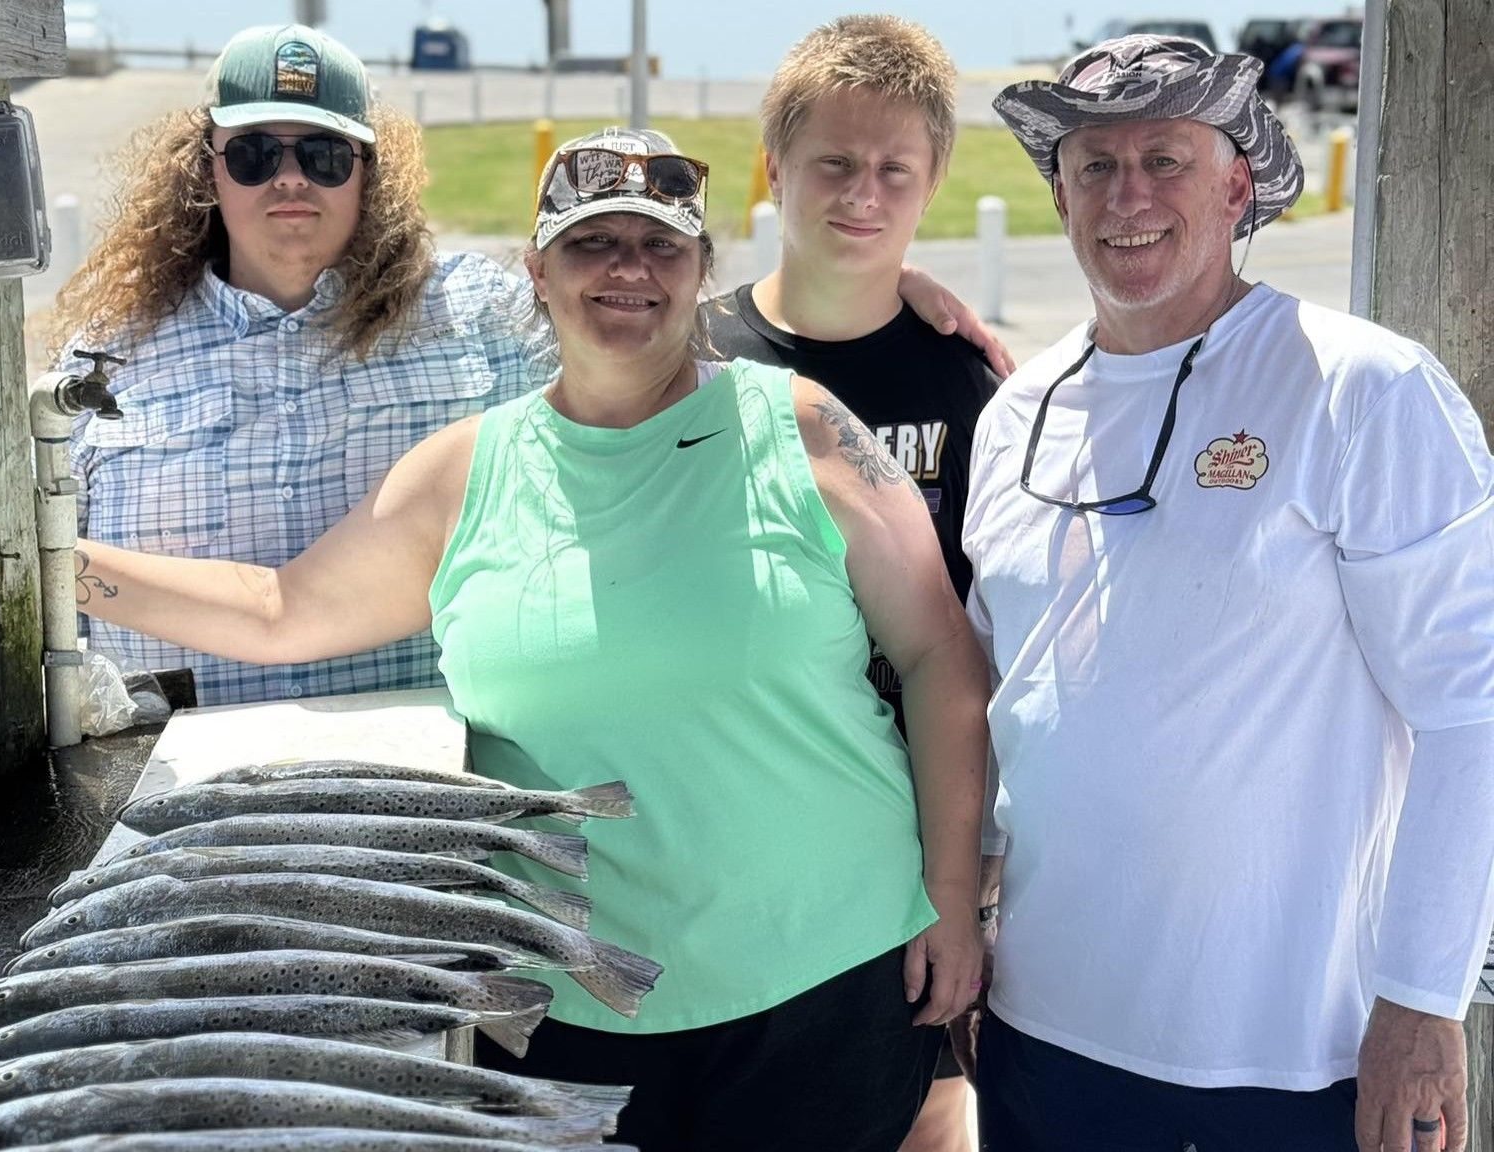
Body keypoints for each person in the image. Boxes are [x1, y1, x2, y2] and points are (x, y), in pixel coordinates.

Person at [71, 126, 992, 1152]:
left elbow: (940, 658)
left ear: (700, 273)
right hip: (563, 1007)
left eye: (663, 246)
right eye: (595, 244)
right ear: (539, 270)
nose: (629, 271)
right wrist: (51, 562)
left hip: (828, 979)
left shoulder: (808, 429)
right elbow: (278, 611)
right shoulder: (468, 474)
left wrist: (953, 895)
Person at [56, 22, 1007, 708]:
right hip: (171, 790)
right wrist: (34, 567)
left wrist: (885, 279)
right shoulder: (104, 356)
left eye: (325, 154)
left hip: (425, 802)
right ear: (206, 165)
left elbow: (645, 303)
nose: (290, 177)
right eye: (255, 151)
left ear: (371, 170)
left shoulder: (477, 313)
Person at [962, 35, 1494, 1152]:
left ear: (1238, 182)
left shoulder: (1361, 385)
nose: (1130, 195)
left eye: (1167, 157)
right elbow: (1002, 703)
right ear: (1059, 192)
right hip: (1038, 1037)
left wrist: (1425, 1000)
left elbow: (1470, 709)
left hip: (1292, 1057)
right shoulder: (1017, 416)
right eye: (1095, 165)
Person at [704, 17, 999, 1151]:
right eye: (833, 162)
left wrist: (967, 884)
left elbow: (984, 638)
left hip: (914, 846)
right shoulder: (690, 362)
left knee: (924, 1115)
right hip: (746, 839)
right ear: (774, 168)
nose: (862, 193)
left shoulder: (974, 386)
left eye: (895, 171)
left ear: (932, 185)